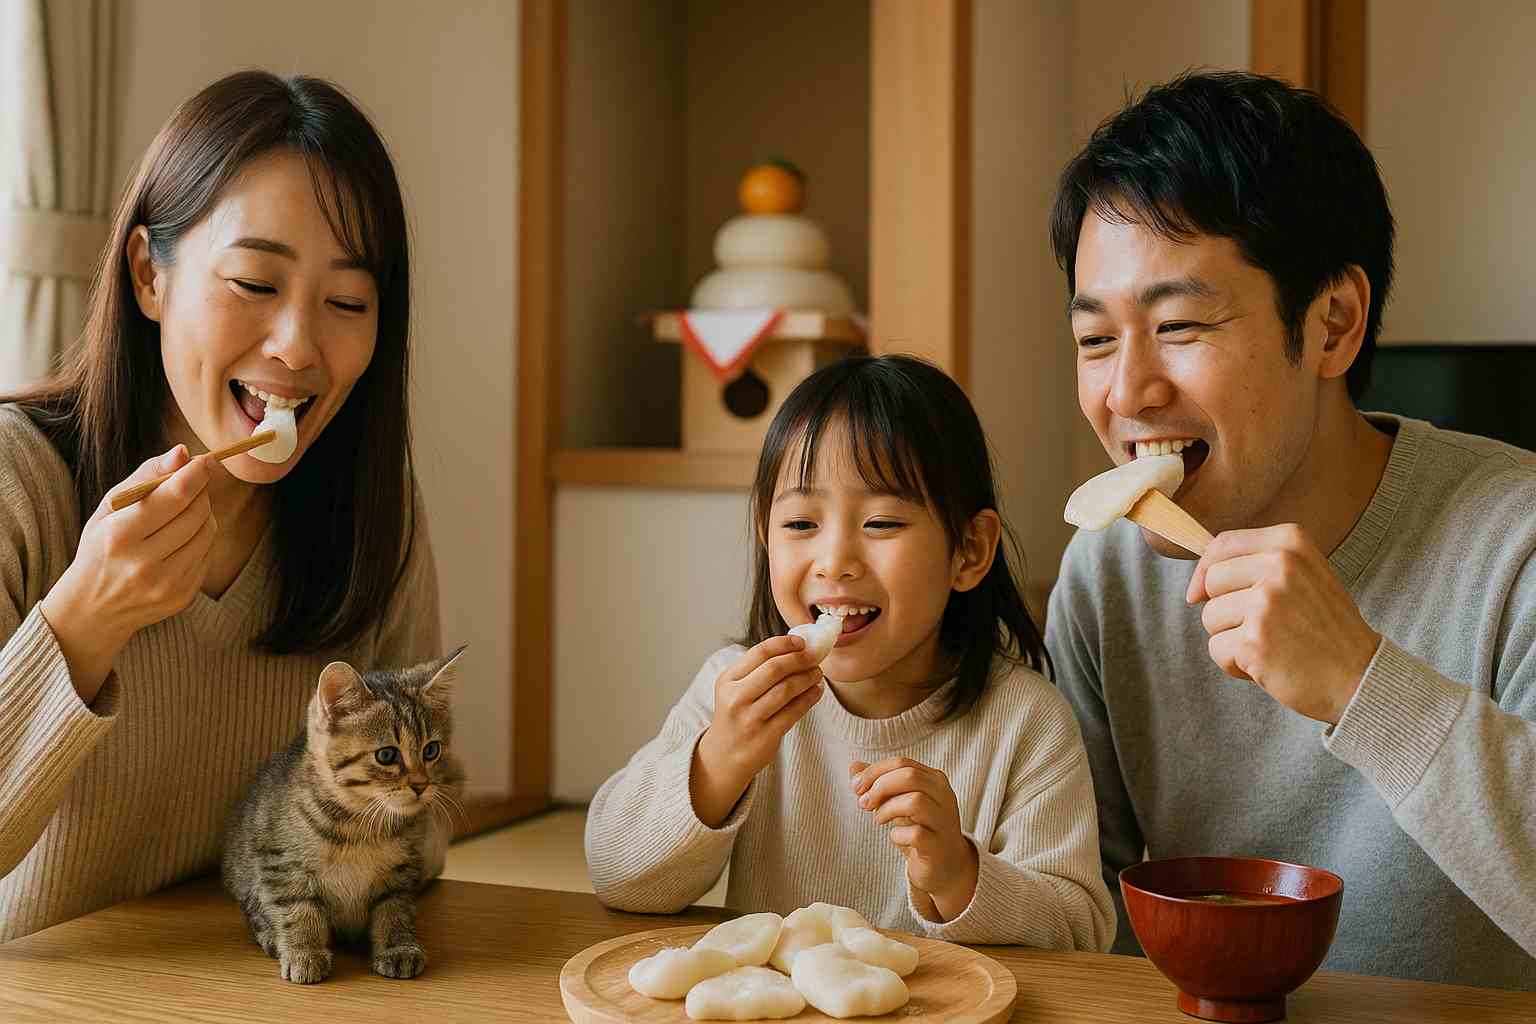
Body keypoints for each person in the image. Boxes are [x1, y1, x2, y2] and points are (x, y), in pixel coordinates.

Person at [1046, 70, 1536, 988]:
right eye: (1096, 340)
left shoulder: (1517, 548)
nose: (1125, 393)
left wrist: (1361, 681)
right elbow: (1080, 916)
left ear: (1333, 325)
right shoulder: (1106, 574)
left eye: (1180, 324)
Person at [0, 71, 440, 942]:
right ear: (146, 276)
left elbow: (413, 834)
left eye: (347, 302)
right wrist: (83, 623)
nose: (297, 345)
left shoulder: (372, 510)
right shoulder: (20, 480)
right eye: (252, 283)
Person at [586, 355, 1114, 951]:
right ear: (765, 535)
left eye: (883, 522)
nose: (834, 560)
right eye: (800, 524)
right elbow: (618, 876)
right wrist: (717, 765)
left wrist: (959, 875)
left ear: (968, 551)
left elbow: (1080, 936)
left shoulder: (1027, 721)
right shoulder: (730, 693)